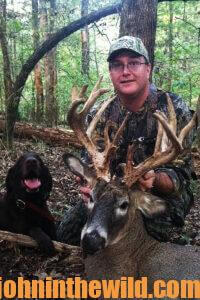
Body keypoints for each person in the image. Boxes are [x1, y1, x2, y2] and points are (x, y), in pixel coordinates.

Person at [58, 36, 196, 244]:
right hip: (110, 194)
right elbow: (91, 163)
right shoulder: (99, 113)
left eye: (133, 63)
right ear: (111, 73)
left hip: (156, 196)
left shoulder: (174, 108)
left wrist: (155, 179)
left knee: (145, 241)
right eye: (117, 65)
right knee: (66, 234)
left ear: (147, 69)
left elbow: (181, 176)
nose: (125, 71)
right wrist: (88, 181)